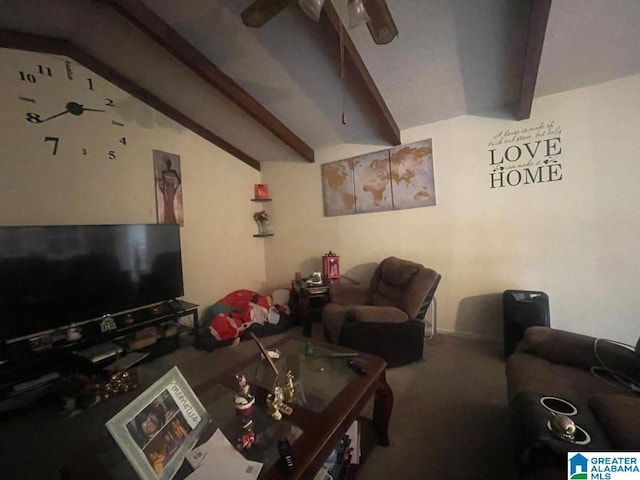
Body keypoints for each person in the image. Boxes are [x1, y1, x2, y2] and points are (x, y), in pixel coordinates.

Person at [158, 157, 181, 224]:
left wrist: (175, 188)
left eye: (169, 164)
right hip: (167, 189)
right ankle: (168, 220)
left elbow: (179, 181)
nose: (168, 165)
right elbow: (163, 182)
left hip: (171, 188)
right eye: (167, 164)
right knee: (167, 204)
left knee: (170, 204)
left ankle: (172, 219)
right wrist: (162, 188)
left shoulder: (173, 171)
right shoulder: (163, 172)